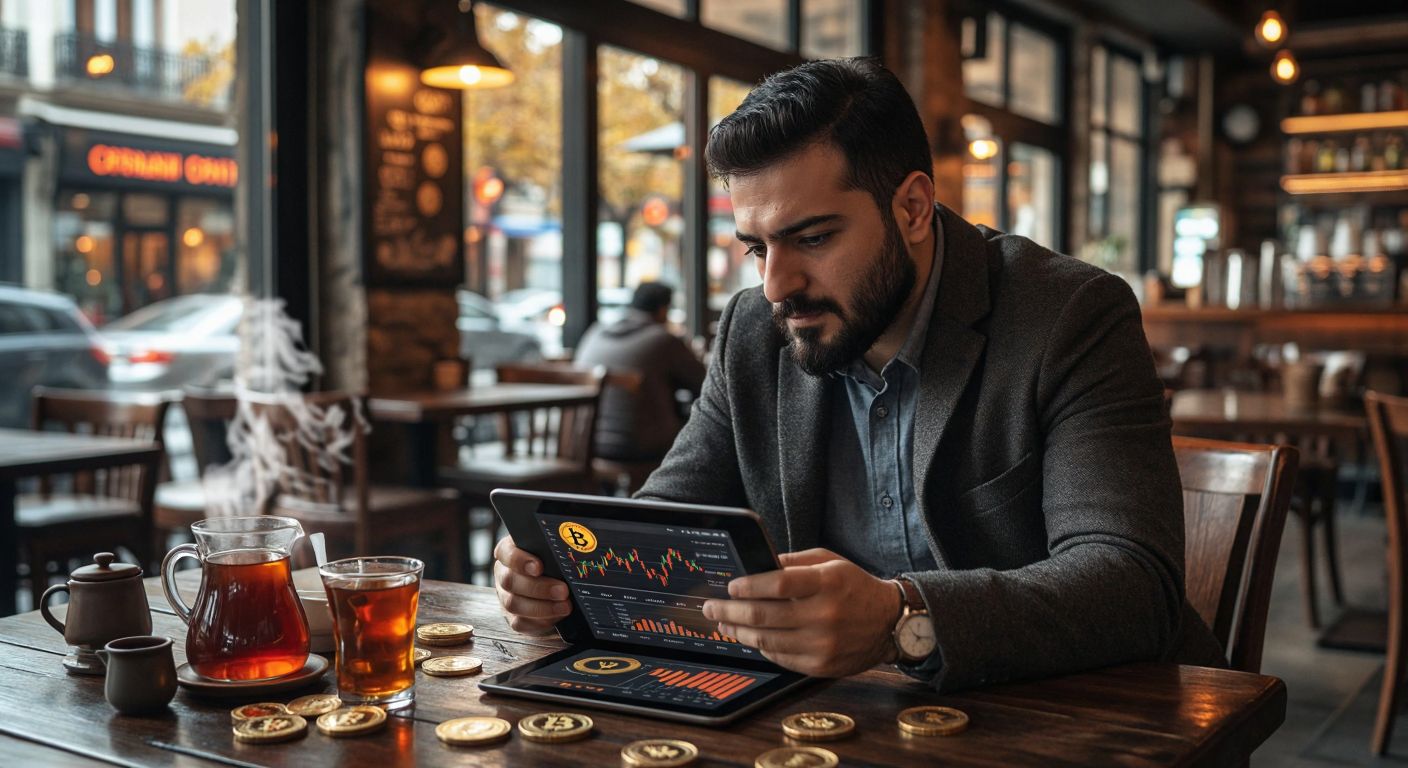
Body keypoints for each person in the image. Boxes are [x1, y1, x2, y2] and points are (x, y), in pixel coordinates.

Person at [493, 57, 1224, 691]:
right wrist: (557, 572)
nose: (777, 285)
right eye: (756, 248)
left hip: (1078, 719)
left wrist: (902, 619)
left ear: (911, 206)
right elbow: (664, 520)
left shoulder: (1069, 315)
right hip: (845, 722)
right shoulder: (757, 331)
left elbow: (1133, 586)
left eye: (811, 237)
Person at [573, 282, 707, 463]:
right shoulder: (663, 339)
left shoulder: (595, 332)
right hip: (638, 446)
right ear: (663, 309)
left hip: (585, 442)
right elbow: (705, 385)